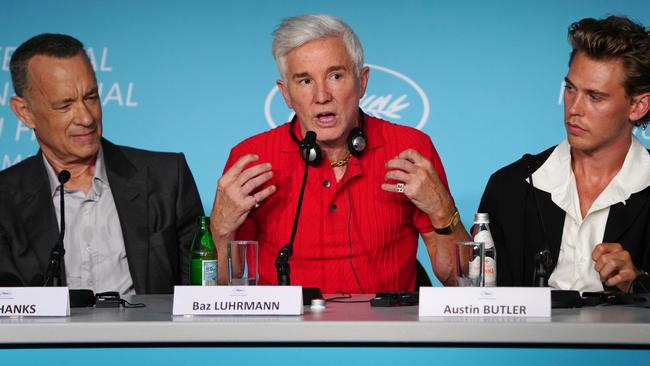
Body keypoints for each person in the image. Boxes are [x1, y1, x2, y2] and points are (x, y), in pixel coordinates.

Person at [210, 14, 469, 293]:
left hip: (385, 332)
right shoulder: (252, 158)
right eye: (305, 81)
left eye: (335, 76)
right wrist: (222, 230)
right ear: (286, 94)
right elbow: (222, 291)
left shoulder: (409, 148)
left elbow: (459, 281)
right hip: (286, 333)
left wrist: (443, 212)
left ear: (362, 81)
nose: (322, 95)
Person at [0, 34, 204, 295]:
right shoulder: (4, 199)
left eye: (91, 97)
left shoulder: (165, 178)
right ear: (24, 112)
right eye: (65, 105)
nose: (85, 117)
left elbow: (200, 295)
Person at [479, 16, 650, 293]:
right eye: (570, 89)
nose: (574, 108)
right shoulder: (509, 187)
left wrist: (638, 282)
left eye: (595, 97)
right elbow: (483, 300)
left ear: (638, 106)